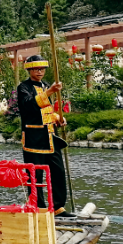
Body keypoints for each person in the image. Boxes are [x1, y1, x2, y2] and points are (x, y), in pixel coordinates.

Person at [17, 54, 74, 217]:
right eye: (36, 69)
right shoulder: (23, 88)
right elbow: (30, 107)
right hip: (33, 138)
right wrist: (49, 92)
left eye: (42, 68)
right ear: (29, 70)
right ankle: (38, 207)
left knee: (58, 171)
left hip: (50, 137)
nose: (39, 71)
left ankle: (58, 207)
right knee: (35, 175)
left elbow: (47, 110)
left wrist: (58, 118)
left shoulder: (46, 85)